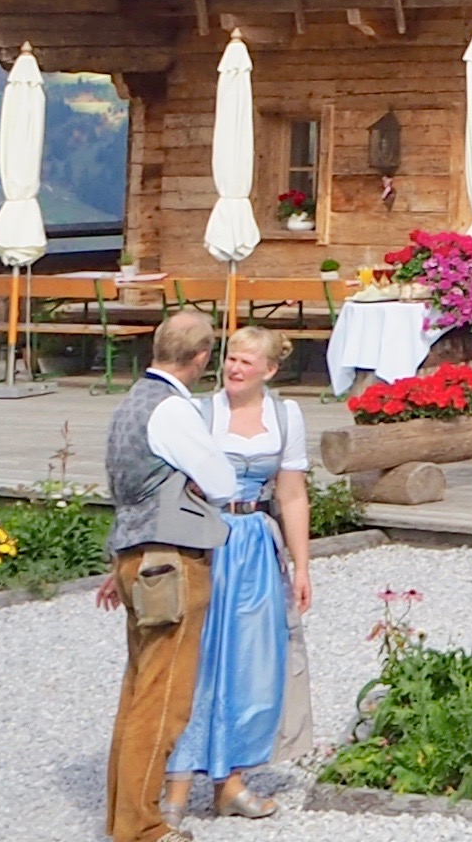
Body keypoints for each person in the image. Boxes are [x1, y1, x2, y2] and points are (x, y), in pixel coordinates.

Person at [97, 306, 235, 842]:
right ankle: (143, 826)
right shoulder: (174, 412)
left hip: (133, 555)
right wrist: (198, 480)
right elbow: (222, 479)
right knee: (164, 698)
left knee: (138, 689)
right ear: (202, 358)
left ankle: (121, 816)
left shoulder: (130, 403)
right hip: (171, 560)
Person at [174, 321, 314, 819]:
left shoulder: (285, 416)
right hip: (207, 540)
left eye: (245, 362)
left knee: (252, 663)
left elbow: (292, 495)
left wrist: (301, 566)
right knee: (199, 659)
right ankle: (175, 786)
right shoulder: (200, 412)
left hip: (255, 542)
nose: (233, 367)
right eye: (230, 358)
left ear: (269, 371)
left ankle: (230, 781)